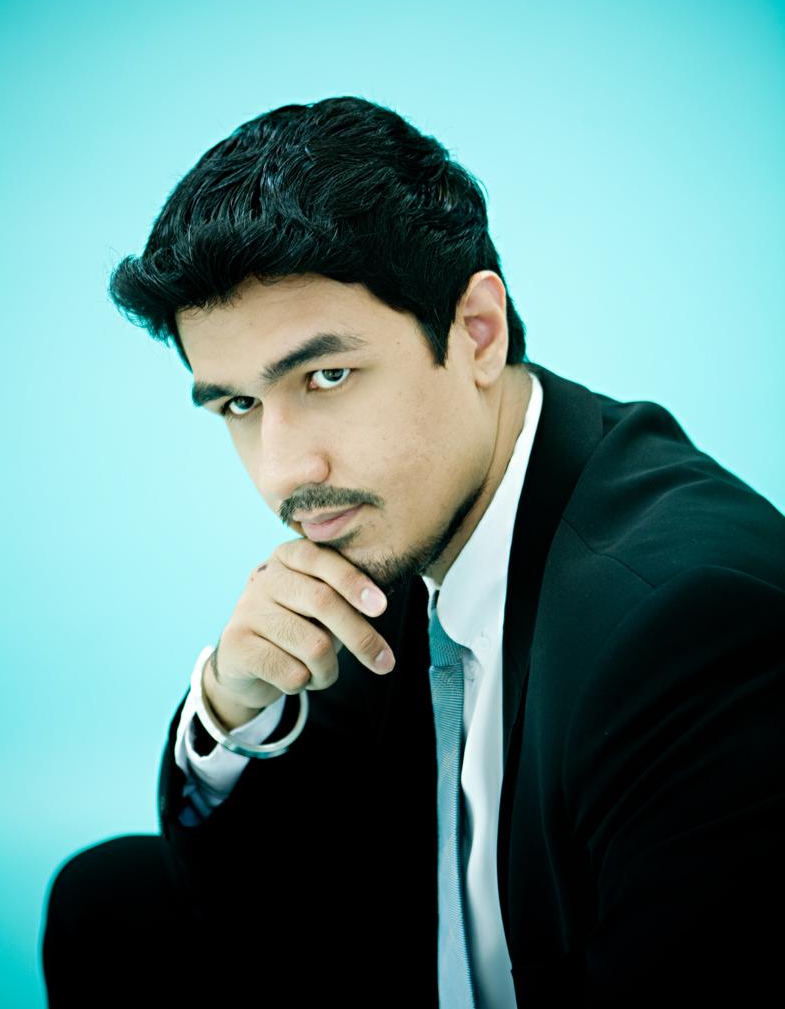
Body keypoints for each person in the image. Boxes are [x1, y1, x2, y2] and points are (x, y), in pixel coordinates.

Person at [41, 97, 785, 1008]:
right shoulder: (395, 530)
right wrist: (236, 701)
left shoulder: (688, 622)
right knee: (111, 904)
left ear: (477, 332)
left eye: (327, 376)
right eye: (239, 405)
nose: (285, 472)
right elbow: (254, 899)